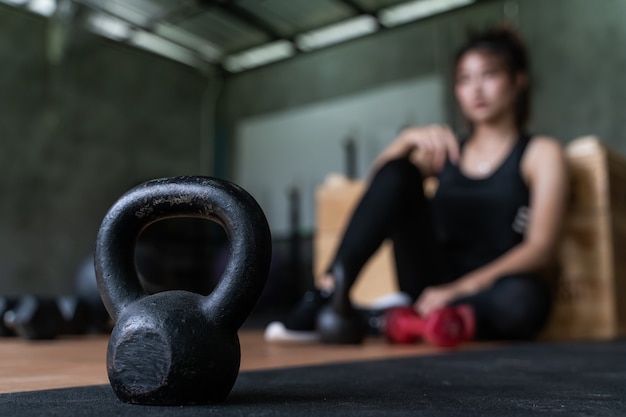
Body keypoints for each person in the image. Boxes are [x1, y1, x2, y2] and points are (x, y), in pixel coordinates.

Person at [265, 25, 569, 344]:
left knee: (526, 301)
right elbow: (382, 189)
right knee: (401, 170)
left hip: (488, 288)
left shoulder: (540, 153)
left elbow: (540, 248)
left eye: (489, 75)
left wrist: (458, 290)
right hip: (428, 279)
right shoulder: (448, 152)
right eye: (464, 79)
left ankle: (393, 319)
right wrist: (405, 140)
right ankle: (328, 293)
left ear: (518, 80)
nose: (476, 89)